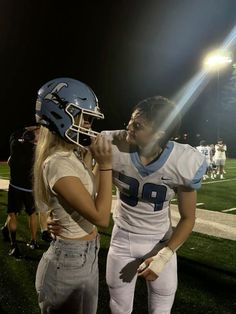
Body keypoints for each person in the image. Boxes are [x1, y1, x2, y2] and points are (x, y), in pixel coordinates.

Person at [101, 96, 207, 314]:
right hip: (122, 238)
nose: (128, 127)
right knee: (119, 309)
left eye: (137, 125)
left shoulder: (184, 161)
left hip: (160, 242)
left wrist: (164, 255)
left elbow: (188, 218)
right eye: (131, 121)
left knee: (161, 310)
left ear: (159, 134)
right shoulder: (112, 144)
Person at [33, 77, 112, 314]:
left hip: (84, 254)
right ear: (60, 115)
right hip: (69, 260)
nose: (87, 124)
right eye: (84, 117)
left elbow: (91, 192)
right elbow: (101, 217)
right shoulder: (58, 162)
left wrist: (92, 161)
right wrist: (106, 165)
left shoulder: (71, 155)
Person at [1, 126, 41, 258]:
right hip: (30, 189)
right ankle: (33, 241)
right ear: (33, 140)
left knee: (12, 215)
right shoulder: (37, 151)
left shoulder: (14, 145)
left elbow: (13, 133)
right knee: (32, 214)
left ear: (23, 137)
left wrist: (27, 128)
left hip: (15, 187)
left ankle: (14, 246)